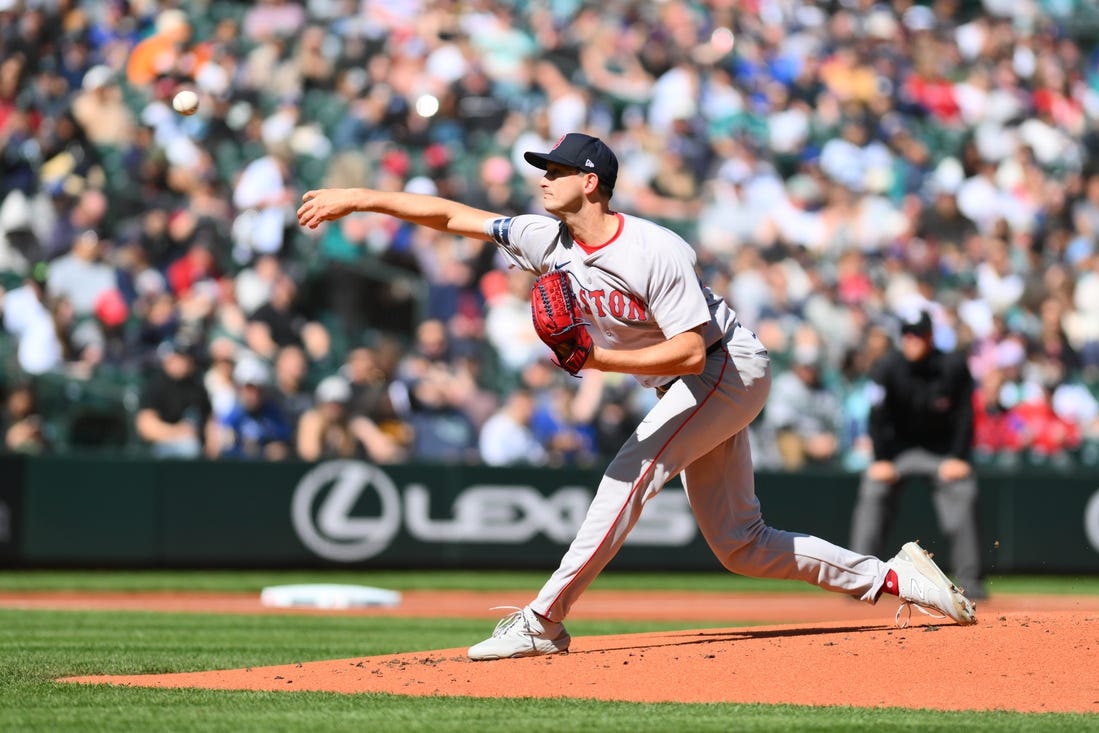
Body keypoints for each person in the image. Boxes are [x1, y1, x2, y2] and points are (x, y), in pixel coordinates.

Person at [297, 132, 977, 662]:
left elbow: (688, 348)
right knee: (740, 544)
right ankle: (894, 579)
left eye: (555, 170)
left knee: (630, 471)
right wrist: (359, 196)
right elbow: (449, 215)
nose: (543, 177)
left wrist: (597, 359)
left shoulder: (655, 249)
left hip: (725, 367)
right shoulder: (544, 237)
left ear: (589, 182)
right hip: (690, 378)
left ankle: (541, 620)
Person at [849, 308, 986, 599]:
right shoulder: (887, 367)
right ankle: (859, 580)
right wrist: (880, 459)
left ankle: (970, 581)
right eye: (907, 335)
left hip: (941, 454)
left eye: (918, 335)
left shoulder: (952, 366)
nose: (912, 341)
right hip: (897, 454)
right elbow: (876, 417)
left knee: (964, 490)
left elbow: (965, 417)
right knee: (873, 489)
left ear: (930, 336)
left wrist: (960, 457)